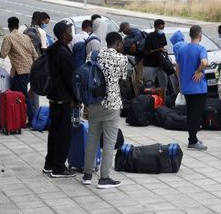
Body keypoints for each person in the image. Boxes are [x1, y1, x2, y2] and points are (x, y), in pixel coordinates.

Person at [83, 32, 128, 189]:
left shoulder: (94, 54)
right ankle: (104, 178)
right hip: (112, 104)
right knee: (109, 142)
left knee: (92, 138)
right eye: (121, 44)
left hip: (94, 102)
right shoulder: (122, 59)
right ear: (117, 43)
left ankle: (87, 175)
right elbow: (123, 81)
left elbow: (86, 74)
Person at [44, 21, 78, 178]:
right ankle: (58, 168)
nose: (72, 34)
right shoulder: (63, 53)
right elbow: (69, 79)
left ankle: (49, 164)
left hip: (54, 98)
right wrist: (77, 98)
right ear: (64, 35)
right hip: (63, 99)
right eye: (70, 31)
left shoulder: (54, 49)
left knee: (54, 132)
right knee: (64, 134)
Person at [0, 17, 38, 122]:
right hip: (30, 70)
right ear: (17, 25)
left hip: (20, 72)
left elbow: (3, 54)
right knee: (13, 92)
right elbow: (35, 55)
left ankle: (33, 118)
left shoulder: (9, 37)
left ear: (9, 26)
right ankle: (16, 115)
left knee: (22, 95)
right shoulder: (26, 37)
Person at [176, 25, 208, 150]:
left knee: (190, 113)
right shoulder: (201, 49)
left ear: (190, 35)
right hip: (198, 88)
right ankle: (193, 141)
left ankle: (192, 138)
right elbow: (204, 62)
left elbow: (177, 67)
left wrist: (180, 82)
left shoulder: (182, 49)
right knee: (196, 114)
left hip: (187, 87)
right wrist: (199, 71)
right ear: (200, 35)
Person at [120, 22, 147, 94]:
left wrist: (129, 42)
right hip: (138, 59)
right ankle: (137, 94)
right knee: (135, 79)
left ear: (126, 27)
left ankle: (141, 95)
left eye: (123, 30)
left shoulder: (134, 31)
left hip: (141, 59)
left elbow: (138, 36)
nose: (123, 32)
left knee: (138, 80)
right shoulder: (128, 36)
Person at [144, 19, 168, 89]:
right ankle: (149, 98)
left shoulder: (162, 35)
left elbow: (164, 46)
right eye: (160, 28)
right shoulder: (149, 37)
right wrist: (159, 49)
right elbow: (147, 51)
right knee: (149, 84)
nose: (162, 30)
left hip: (160, 63)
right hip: (150, 64)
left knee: (164, 82)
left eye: (163, 28)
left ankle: (163, 98)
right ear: (156, 27)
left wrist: (164, 52)